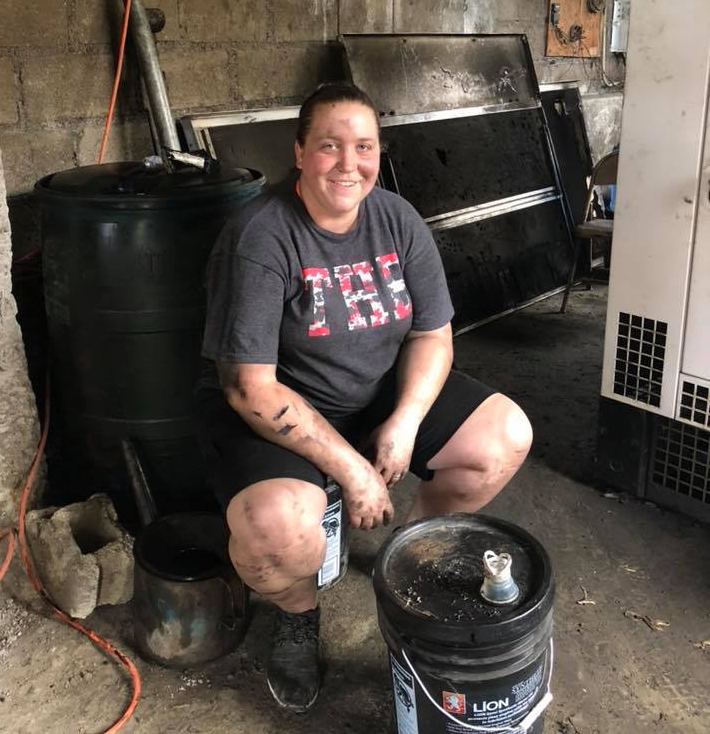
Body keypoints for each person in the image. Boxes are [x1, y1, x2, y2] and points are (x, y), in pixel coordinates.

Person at [196, 81, 533, 713]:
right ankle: (297, 615)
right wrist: (353, 471)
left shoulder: (396, 218)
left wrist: (404, 422)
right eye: (330, 145)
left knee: (504, 438)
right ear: (299, 153)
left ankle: (409, 556)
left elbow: (433, 335)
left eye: (364, 147)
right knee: (277, 530)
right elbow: (249, 387)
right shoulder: (261, 237)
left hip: (375, 392)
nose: (348, 164)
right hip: (281, 409)